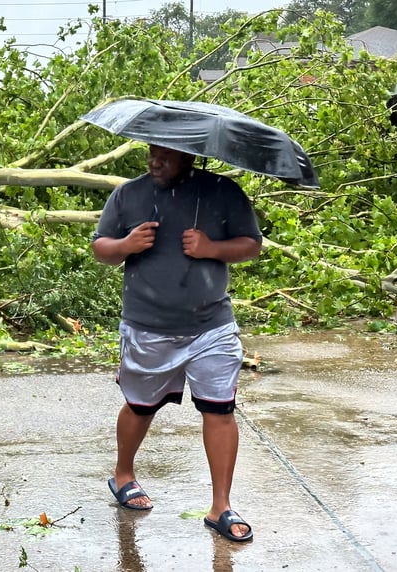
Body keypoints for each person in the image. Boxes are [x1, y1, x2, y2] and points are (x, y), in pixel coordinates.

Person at [91, 144, 262, 542]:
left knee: (220, 411)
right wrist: (125, 245)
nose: (155, 161)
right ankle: (123, 475)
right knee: (140, 406)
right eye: (152, 152)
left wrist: (212, 249)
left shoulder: (223, 192)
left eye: (166, 156)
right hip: (147, 326)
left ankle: (221, 507)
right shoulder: (128, 194)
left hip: (212, 326)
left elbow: (251, 245)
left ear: (190, 156)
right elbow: (101, 247)